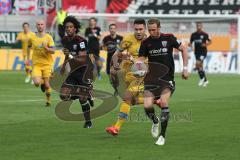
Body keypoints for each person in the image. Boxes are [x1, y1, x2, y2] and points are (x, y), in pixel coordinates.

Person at [137, 18, 189, 145]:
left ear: (159, 28)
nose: (151, 32)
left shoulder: (169, 38)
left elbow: (184, 49)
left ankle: (162, 136)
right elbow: (140, 59)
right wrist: (138, 68)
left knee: (164, 102)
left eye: (153, 30)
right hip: (151, 79)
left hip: (167, 78)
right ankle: (155, 121)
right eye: (149, 30)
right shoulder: (145, 42)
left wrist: (185, 69)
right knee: (147, 105)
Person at [105, 18, 148, 136]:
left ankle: (116, 127)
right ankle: (155, 100)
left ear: (145, 29)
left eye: (141, 29)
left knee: (127, 99)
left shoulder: (150, 42)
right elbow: (116, 54)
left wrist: (133, 59)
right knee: (131, 101)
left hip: (141, 75)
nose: (138, 32)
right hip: (127, 74)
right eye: (136, 29)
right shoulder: (128, 39)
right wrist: (114, 65)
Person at [60, 16, 94, 128]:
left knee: (82, 99)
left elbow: (83, 58)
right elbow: (67, 55)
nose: (68, 29)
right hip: (73, 72)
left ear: (75, 28)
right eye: (66, 27)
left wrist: (69, 55)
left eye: (70, 27)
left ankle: (88, 122)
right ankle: (85, 94)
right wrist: (64, 65)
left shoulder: (81, 41)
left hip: (84, 72)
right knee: (63, 95)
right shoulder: (65, 40)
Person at [28, 19, 55, 106]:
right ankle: (42, 82)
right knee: (36, 83)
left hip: (47, 64)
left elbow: (53, 51)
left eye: (42, 24)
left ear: (44, 26)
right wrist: (27, 58)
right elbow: (29, 47)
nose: (40, 26)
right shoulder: (32, 37)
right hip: (36, 64)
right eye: (38, 24)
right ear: (36, 26)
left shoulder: (48, 37)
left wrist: (46, 48)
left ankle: (48, 101)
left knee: (47, 86)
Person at [102, 23, 123, 95]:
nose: (112, 30)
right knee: (111, 78)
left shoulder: (121, 38)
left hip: (118, 60)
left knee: (118, 75)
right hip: (109, 61)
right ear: (109, 29)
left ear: (116, 29)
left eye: (114, 28)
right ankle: (116, 89)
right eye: (111, 28)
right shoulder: (106, 39)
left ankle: (119, 89)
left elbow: (124, 49)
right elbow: (103, 48)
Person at [189, 22, 211, 87]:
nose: (199, 27)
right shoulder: (193, 35)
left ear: (202, 26)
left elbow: (210, 41)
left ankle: (201, 78)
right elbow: (191, 43)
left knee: (198, 63)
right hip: (197, 52)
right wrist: (190, 45)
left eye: (200, 26)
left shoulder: (204, 34)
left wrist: (206, 44)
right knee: (200, 67)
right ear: (196, 26)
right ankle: (205, 80)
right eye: (198, 26)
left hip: (203, 52)